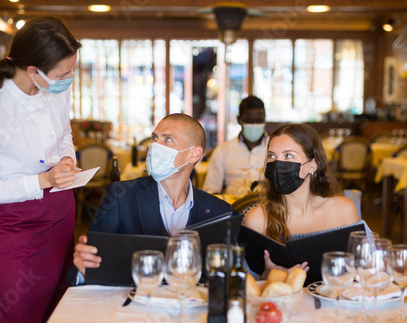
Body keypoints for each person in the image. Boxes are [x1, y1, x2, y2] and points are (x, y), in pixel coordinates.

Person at [0, 17, 81, 323]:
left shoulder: (53, 87)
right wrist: (44, 180)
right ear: (33, 71)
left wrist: (67, 158)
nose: (70, 78)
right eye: (63, 73)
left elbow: (64, 133)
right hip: (16, 225)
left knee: (61, 304)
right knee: (20, 314)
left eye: (72, 70)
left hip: (59, 211)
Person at [67, 113, 233, 284]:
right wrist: (83, 269)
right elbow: (86, 266)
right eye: (155, 138)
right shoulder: (120, 197)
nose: (155, 146)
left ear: (194, 154)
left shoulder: (219, 211)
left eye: (168, 139)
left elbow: (226, 277)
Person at [242, 123, 367, 278]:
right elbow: (247, 287)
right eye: (271, 156)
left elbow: (365, 271)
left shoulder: (343, 211)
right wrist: (267, 275)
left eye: (288, 155)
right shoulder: (256, 220)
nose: (277, 164)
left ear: (312, 165)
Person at [203, 95, 267, 196]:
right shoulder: (222, 151)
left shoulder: (276, 149)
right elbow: (211, 191)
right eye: (249, 121)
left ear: (264, 120)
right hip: (234, 209)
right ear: (239, 120)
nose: (255, 125)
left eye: (259, 121)